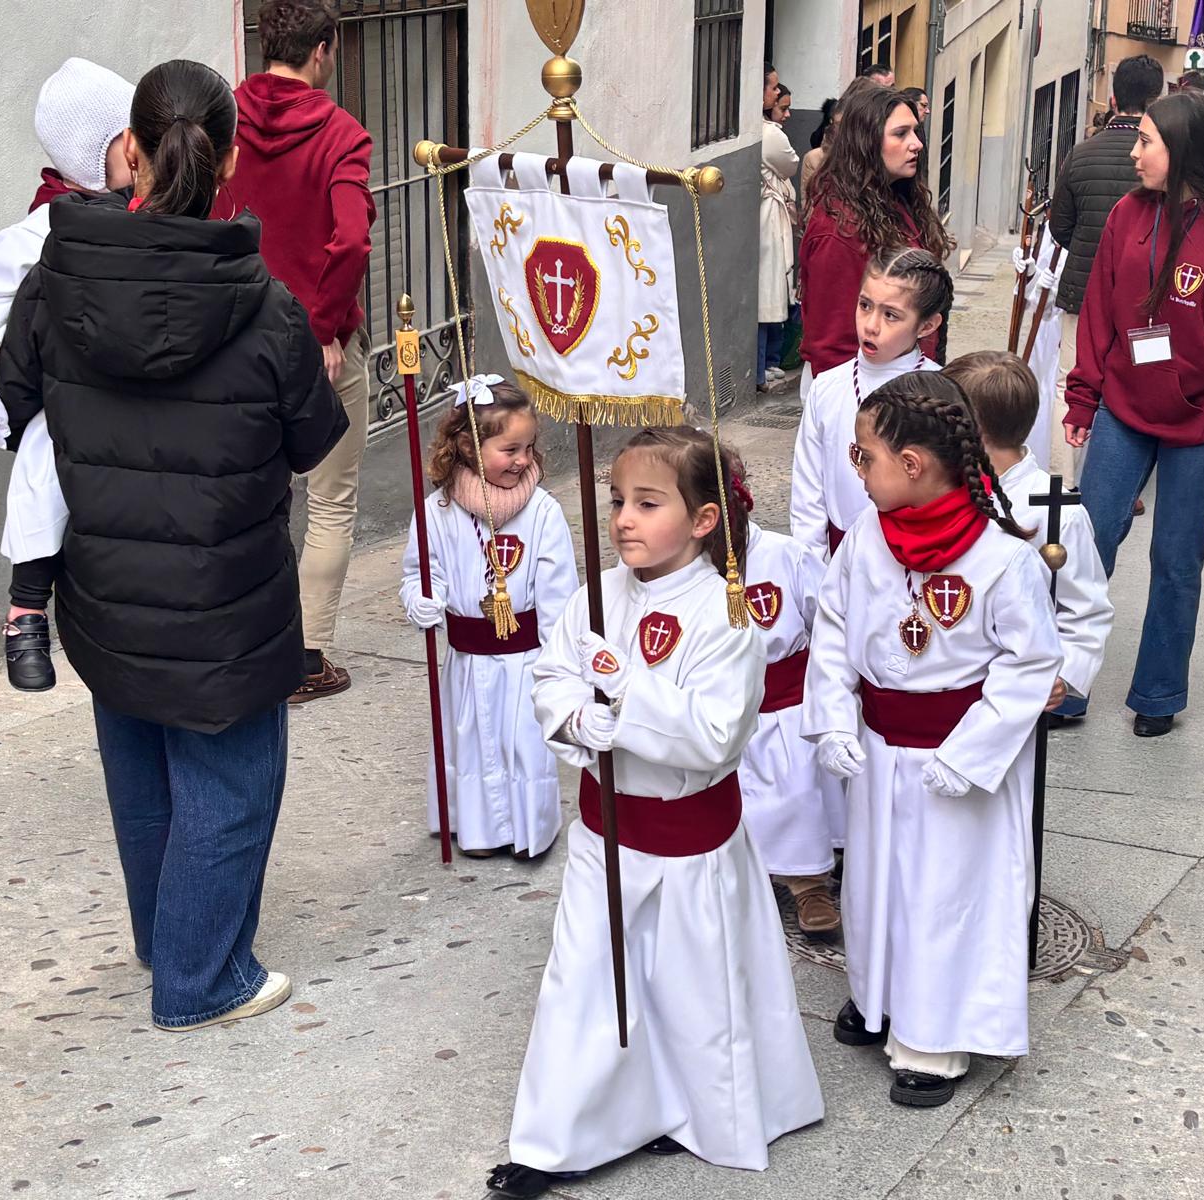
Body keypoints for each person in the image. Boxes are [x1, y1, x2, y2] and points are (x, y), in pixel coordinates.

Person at [0, 60, 348, 1030]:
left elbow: (18, 404)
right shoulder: (265, 305)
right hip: (228, 601)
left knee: (142, 773)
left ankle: (168, 938)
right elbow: (313, 439)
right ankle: (200, 981)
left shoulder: (52, 277)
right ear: (228, 159)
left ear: (133, 150)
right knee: (230, 784)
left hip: (106, 589)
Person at [487, 428, 822, 1198]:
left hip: (689, 843)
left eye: (647, 503)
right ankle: (560, 1138)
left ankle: (693, 1110)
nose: (623, 519)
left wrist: (627, 700)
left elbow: (715, 732)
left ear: (703, 520)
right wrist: (577, 717)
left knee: (692, 988)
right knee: (584, 978)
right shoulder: (596, 598)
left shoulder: (727, 614)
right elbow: (553, 673)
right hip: (605, 836)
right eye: (616, 501)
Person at [803, 372, 1061, 1108]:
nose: (857, 471)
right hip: (880, 752)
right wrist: (834, 717)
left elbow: (1030, 664)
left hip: (956, 764)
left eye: (864, 457)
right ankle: (879, 998)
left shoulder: (1002, 558)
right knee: (877, 885)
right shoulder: (865, 537)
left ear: (912, 465)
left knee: (944, 896)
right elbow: (833, 630)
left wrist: (971, 754)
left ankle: (934, 1038)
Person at [1064, 91, 1204, 738]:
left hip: (1201, 426)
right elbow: (1100, 312)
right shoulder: (1129, 213)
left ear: (1183, 150)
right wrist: (1084, 395)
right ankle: (1063, 684)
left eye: (1146, 141)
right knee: (1088, 540)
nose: (1134, 154)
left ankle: (1158, 693)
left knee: (1176, 557)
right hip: (1124, 408)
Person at [0, 57, 135, 693]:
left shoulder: (152, 216)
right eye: (127, 138)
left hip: (134, 391)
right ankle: (26, 608)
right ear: (99, 151)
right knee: (43, 461)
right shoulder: (37, 231)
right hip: (68, 397)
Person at [214, 0, 377, 703]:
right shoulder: (341, 133)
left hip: (236, 342)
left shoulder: (224, 120)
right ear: (323, 50)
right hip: (316, 346)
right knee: (331, 500)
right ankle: (307, 660)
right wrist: (324, 325)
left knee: (254, 499)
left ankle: (248, 643)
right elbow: (353, 238)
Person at [398, 377, 578, 860]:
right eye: (509, 449)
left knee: (523, 743)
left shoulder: (541, 511)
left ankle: (527, 829)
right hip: (468, 662)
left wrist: (559, 664)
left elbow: (559, 594)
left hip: (525, 660)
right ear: (467, 447)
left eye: (529, 447)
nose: (522, 460)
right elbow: (420, 571)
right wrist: (421, 599)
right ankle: (477, 830)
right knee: (472, 741)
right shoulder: (437, 511)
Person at [946, 351, 1113, 724]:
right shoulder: (942, 488)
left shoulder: (1056, 512)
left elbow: (1086, 608)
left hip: (1015, 683)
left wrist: (1063, 673)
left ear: (971, 429)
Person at [734, 463, 844, 935]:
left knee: (797, 791)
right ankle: (736, 882)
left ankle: (809, 883)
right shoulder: (680, 567)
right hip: (721, 710)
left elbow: (831, 622)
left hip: (787, 708)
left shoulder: (787, 556)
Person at [1049, 55, 1165, 481]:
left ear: (1113, 98)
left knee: (1070, 383)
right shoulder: (1164, 162)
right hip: (1146, 299)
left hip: (1082, 292)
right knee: (1139, 383)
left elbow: (1059, 227)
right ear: (1156, 100)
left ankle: (1063, 483)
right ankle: (1125, 481)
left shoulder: (1080, 154)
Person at [790, 248, 949, 555]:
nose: (871, 325)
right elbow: (808, 492)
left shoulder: (942, 392)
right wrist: (811, 567)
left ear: (927, 326)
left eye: (891, 315)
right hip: (839, 555)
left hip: (916, 555)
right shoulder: (827, 388)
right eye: (865, 305)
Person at [800, 83, 951, 381]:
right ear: (866, 142)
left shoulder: (894, 198)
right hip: (864, 390)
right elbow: (831, 346)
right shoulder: (839, 229)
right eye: (901, 134)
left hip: (902, 379)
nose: (916, 144)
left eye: (915, 132)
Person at [760, 91, 800, 389]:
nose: (787, 114)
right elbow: (790, 165)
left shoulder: (770, 132)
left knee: (775, 293)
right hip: (770, 221)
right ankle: (765, 363)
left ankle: (770, 360)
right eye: (781, 105)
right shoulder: (770, 135)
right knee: (769, 294)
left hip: (775, 219)